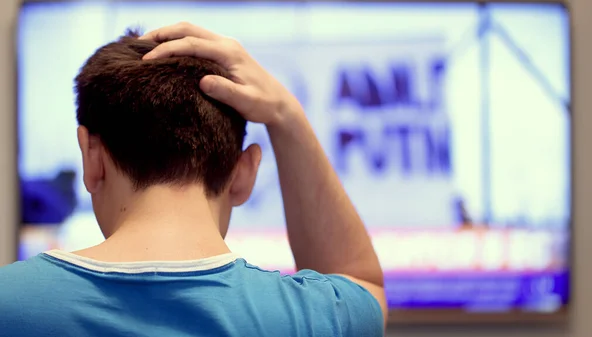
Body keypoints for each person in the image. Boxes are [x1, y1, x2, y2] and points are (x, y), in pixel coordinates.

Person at [0, 23, 387, 336]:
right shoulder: (312, 318)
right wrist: (286, 115)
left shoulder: (9, 304)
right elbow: (361, 284)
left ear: (91, 157)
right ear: (245, 174)